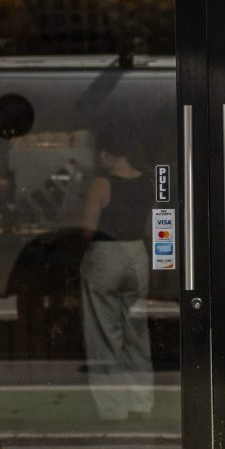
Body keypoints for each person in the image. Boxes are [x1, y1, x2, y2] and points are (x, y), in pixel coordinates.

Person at [78, 125, 155, 421]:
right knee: (136, 332)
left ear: (107, 154)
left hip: (106, 253)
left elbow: (87, 229)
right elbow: (150, 226)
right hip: (137, 253)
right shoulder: (147, 182)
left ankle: (113, 408)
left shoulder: (100, 184)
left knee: (103, 333)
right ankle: (142, 402)